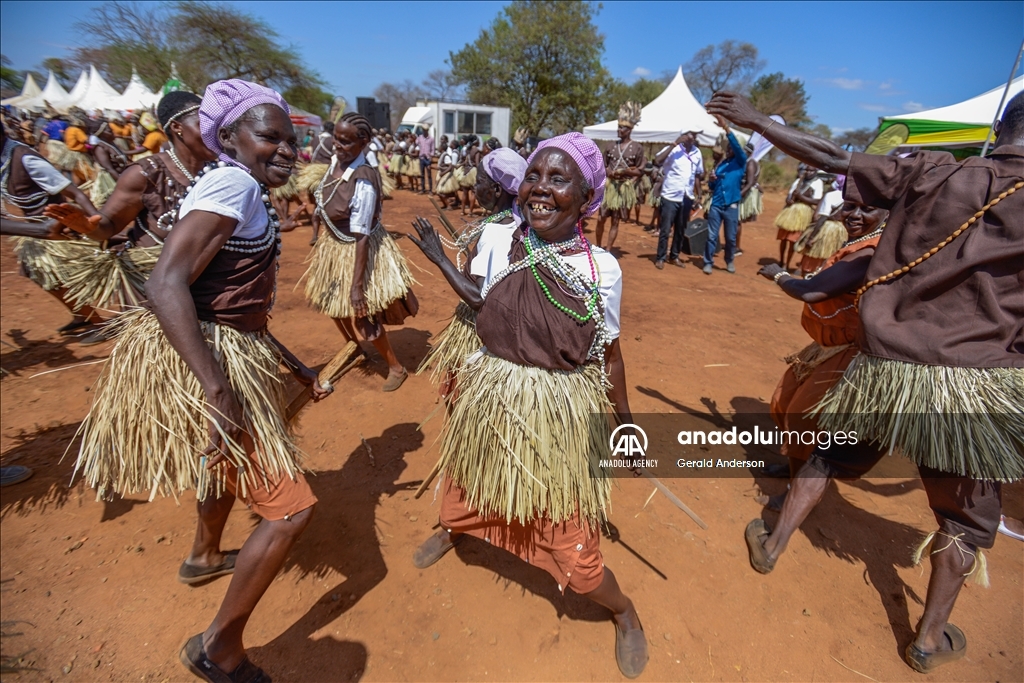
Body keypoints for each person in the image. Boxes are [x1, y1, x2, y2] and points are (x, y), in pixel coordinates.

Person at [707, 89, 1024, 675]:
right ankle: (928, 640)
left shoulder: (939, 173)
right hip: (976, 384)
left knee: (828, 454)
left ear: (1000, 127)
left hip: (887, 370)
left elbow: (835, 156)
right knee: (963, 519)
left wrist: (755, 120)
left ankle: (772, 544)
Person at [73, 79, 331, 683]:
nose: (286, 150)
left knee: (221, 466)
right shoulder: (234, 184)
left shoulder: (237, 185)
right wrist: (218, 391)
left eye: (290, 139)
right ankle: (219, 648)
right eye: (270, 136)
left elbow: (225, 299)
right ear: (231, 136)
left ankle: (203, 554)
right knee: (289, 513)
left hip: (222, 347)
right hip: (210, 364)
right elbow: (166, 283)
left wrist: (291, 363)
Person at [410, 132, 648, 679]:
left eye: (557, 179)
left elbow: (610, 356)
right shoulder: (498, 238)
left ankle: (623, 610)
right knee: (466, 486)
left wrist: (627, 428)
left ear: (586, 197)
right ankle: (455, 528)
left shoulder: (601, 269)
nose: (539, 188)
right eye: (534, 176)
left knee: (571, 543)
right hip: (491, 398)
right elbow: (480, 302)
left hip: (555, 415)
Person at [756, 199, 887, 510]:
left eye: (867, 209)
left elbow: (812, 291)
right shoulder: (856, 243)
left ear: (886, 214)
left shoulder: (869, 252)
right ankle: (793, 469)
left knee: (803, 419)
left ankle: (797, 493)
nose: (855, 215)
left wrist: (779, 275)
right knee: (785, 402)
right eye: (850, 206)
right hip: (825, 348)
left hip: (848, 352)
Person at [45, 92, 218, 321]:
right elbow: (107, 226)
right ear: (177, 127)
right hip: (155, 288)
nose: (213, 131)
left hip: (212, 283)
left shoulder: (223, 169)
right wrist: (87, 227)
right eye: (203, 124)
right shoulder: (145, 174)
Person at [304, 112, 419, 392]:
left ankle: (396, 367)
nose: (338, 145)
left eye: (346, 142)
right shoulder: (336, 162)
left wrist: (357, 287)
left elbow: (362, 235)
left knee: (362, 314)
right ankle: (354, 347)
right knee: (334, 305)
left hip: (357, 250)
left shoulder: (364, 179)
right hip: (334, 248)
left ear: (363, 142)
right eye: (336, 139)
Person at [409, 146, 528, 396]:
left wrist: (439, 257)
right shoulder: (518, 222)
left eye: (479, 181)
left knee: (460, 396)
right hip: (505, 329)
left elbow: (478, 298)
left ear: (496, 189)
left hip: (482, 333)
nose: (474, 188)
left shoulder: (498, 232)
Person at [2, 121, 104, 336]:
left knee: (63, 278)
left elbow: (75, 192)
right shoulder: (5, 159)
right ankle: (82, 315)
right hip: (35, 230)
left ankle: (99, 323)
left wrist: (98, 223)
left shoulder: (25, 158)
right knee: (38, 274)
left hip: (58, 230)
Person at [596, 102, 645, 253]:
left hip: (623, 188)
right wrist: (608, 172)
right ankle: (597, 246)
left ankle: (608, 250)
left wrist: (626, 173)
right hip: (609, 187)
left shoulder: (637, 148)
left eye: (622, 128)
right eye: (618, 127)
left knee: (615, 220)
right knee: (600, 218)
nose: (619, 130)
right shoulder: (611, 146)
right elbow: (602, 164)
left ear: (629, 130)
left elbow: (640, 170)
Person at [702, 117, 748, 275]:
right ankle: (708, 262)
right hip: (716, 204)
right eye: (727, 148)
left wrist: (726, 129)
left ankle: (729, 260)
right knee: (712, 236)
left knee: (730, 238)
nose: (728, 150)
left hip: (731, 205)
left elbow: (737, 147)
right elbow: (713, 187)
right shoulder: (721, 165)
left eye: (730, 148)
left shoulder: (740, 163)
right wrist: (711, 180)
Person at [653, 128, 703, 268]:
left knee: (681, 229)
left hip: (687, 196)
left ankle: (674, 256)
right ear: (684, 135)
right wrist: (674, 144)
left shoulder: (697, 153)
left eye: (696, 135)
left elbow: (698, 174)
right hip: (670, 195)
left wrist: (699, 193)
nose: (693, 137)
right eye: (691, 134)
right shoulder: (673, 150)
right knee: (665, 229)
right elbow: (657, 160)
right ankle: (661, 257)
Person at [793, 176, 847, 275]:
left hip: (827, 229)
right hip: (842, 231)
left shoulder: (831, 195)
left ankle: (807, 272)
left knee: (813, 256)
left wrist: (811, 237)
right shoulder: (853, 199)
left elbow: (823, 218)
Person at [774, 164, 823, 270]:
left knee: (792, 240)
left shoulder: (818, 183)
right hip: (790, 212)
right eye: (807, 170)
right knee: (783, 239)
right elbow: (789, 196)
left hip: (803, 214)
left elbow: (817, 201)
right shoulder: (798, 181)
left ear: (816, 172)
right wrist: (789, 200)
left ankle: (787, 264)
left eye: (811, 171)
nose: (808, 172)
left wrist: (801, 197)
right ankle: (781, 261)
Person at [435, 139, 462, 208]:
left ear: (442, 148)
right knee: (441, 192)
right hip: (444, 174)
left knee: (440, 191)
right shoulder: (442, 155)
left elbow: (450, 166)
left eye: (439, 146)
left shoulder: (446, 156)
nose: (438, 148)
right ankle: (447, 204)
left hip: (447, 175)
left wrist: (443, 172)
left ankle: (448, 206)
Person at [416, 125, 435, 194]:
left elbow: (432, 149)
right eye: (423, 130)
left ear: (427, 130)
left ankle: (430, 190)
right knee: (422, 174)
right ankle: (423, 189)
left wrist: (431, 157)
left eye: (425, 130)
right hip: (421, 157)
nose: (424, 131)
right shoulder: (420, 137)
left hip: (427, 158)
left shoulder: (431, 139)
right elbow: (416, 143)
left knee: (429, 174)